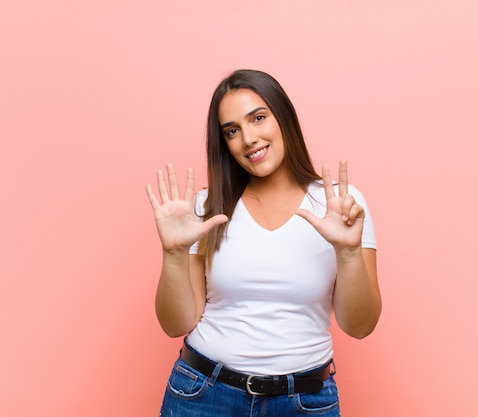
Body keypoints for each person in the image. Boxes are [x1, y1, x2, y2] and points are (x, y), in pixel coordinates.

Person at [146, 69, 381, 417]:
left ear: (283, 116)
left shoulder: (340, 204)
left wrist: (347, 254)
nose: (249, 138)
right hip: (203, 397)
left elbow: (360, 327)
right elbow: (175, 324)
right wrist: (174, 254)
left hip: (304, 402)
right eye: (232, 131)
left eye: (258, 118)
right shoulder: (207, 208)